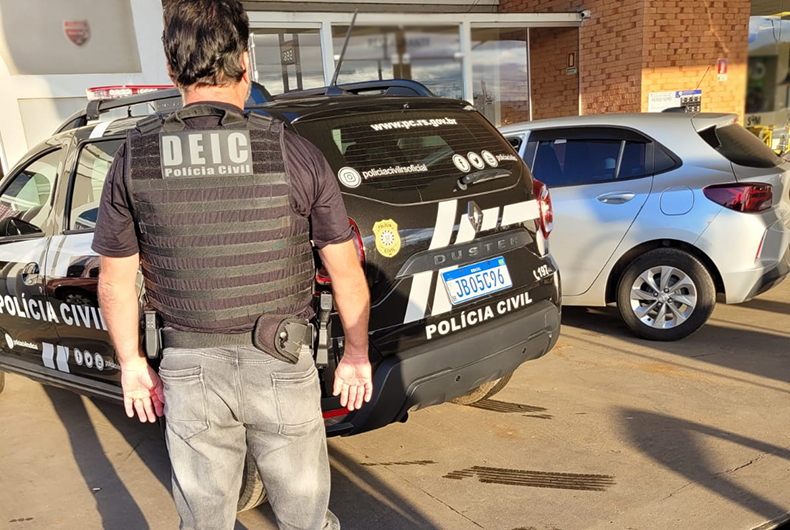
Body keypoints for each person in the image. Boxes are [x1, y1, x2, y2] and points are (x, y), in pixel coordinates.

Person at [92, 1, 372, 528]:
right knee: (306, 520)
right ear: (246, 62)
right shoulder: (293, 153)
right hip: (282, 361)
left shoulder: (135, 158)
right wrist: (356, 354)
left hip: (189, 370)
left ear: (171, 70)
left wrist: (132, 364)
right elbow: (345, 271)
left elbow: (115, 283)